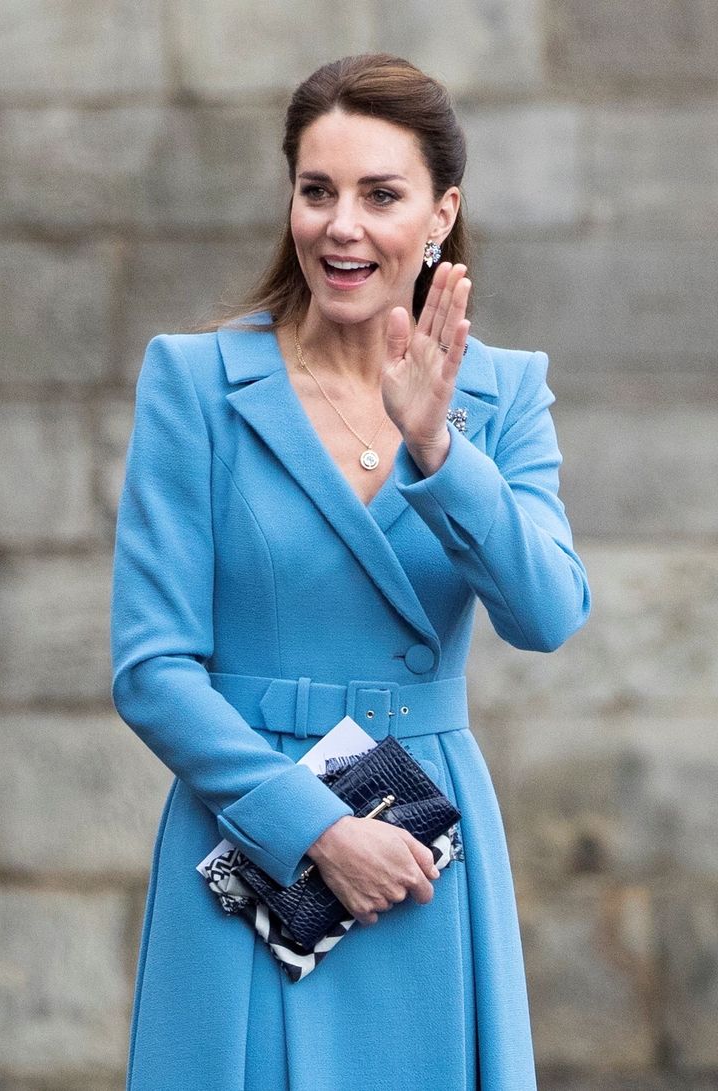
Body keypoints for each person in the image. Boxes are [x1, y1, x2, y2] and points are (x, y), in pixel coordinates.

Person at [111, 53, 590, 1091]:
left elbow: (548, 612)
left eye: (381, 195)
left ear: (440, 212)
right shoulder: (196, 383)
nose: (342, 225)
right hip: (250, 833)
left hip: (421, 846)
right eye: (317, 190)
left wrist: (440, 451)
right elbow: (152, 669)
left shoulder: (498, 395)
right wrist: (316, 827)